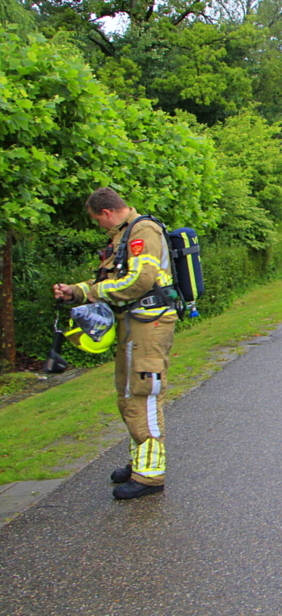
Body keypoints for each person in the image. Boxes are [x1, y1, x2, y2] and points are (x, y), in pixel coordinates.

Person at [53, 187, 177, 499]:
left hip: (149, 324)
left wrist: (93, 294)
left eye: (97, 220)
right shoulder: (123, 235)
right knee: (126, 394)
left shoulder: (142, 231)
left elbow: (139, 280)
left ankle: (150, 476)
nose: (99, 226)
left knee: (143, 394)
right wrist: (76, 291)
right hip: (132, 323)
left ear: (106, 213)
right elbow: (111, 277)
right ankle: (140, 462)